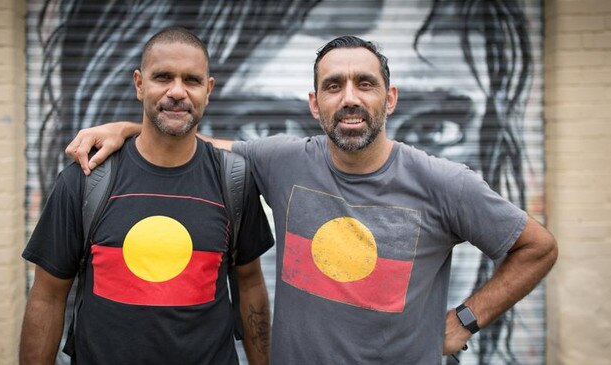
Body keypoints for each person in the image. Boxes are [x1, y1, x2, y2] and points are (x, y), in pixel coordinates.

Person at [66, 35, 558, 364]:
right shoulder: (282, 160)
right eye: (333, 86)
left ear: (389, 99)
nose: (349, 98)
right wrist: (129, 128)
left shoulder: (444, 182)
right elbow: (194, 144)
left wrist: (466, 320)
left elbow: (537, 247)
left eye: (365, 84)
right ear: (314, 103)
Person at [20, 26, 274, 365]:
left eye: (192, 80)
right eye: (163, 77)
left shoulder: (234, 181)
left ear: (208, 90)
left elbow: (250, 284)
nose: (177, 91)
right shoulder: (86, 181)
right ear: (140, 84)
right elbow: (47, 297)